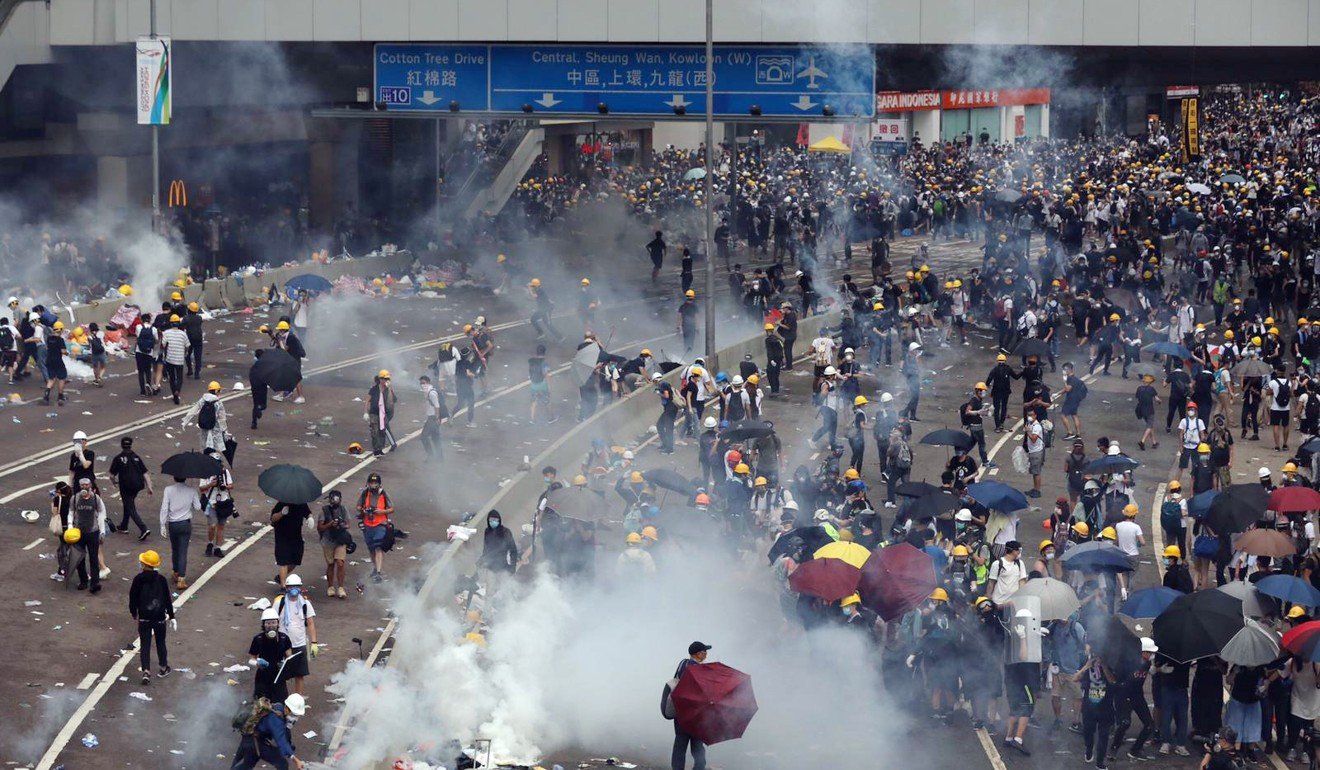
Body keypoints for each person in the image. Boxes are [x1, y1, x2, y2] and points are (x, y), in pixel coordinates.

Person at [128, 549, 173, 685]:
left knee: (145, 644)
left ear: (143, 564)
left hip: (144, 617)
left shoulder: (138, 579)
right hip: (159, 617)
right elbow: (167, 599)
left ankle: (146, 671)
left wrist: (133, 612)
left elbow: (133, 597)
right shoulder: (161, 579)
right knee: (160, 642)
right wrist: (171, 615)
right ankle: (163, 667)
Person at [229, 693, 308, 770]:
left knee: (247, 764)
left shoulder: (279, 707)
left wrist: (289, 745)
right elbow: (280, 739)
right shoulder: (275, 720)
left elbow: (285, 735)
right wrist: (295, 759)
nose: (296, 717)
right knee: (282, 764)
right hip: (254, 742)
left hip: (251, 739)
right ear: (287, 708)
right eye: (294, 714)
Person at [273, 574, 317, 698]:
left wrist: (314, 643)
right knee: (280, 673)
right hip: (282, 644)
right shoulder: (279, 603)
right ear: (286, 588)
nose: (294, 589)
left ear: (300, 588)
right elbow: (273, 622)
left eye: (297, 586)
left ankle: (298, 699)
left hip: (299, 644)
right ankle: (280, 698)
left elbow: (310, 623)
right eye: (291, 586)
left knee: (299, 674)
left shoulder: (305, 604)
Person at [1076, 653, 1119, 769]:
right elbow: (1075, 678)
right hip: (1089, 707)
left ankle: (1100, 762)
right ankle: (1089, 749)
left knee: (1104, 736)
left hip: (1106, 707)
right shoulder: (1086, 662)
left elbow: (1113, 681)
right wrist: (1086, 667)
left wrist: (1104, 666)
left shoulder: (1111, 663)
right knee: (1088, 732)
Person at [671, 641, 710, 770]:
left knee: (680, 745)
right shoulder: (698, 670)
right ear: (698, 654)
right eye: (705, 652)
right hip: (695, 715)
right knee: (697, 746)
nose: (706, 654)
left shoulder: (683, 663)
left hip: (680, 712)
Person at [159, 475, 199, 590]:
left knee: (175, 549)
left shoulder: (168, 490)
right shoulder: (191, 490)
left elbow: (164, 508)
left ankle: (175, 572)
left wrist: (162, 524)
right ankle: (182, 578)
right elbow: (197, 507)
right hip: (185, 524)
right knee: (183, 550)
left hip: (173, 524)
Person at [109, 436, 152, 540]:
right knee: (128, 503)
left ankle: (143, 528)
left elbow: (111, 475)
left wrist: (114, 482)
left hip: (126, 486)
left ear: (121, 445)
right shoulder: (136, 457)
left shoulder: (118, 458)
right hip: (137, 485)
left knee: (130, 507)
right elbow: (145, 473)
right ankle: (124, 526)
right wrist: (149, 486)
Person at [248, 607, 294, 702]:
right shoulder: (258, 639)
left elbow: (290, 658)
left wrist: (285, 665)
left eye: (273, 622)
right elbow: (251, 659)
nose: (271, 625)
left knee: (280, 704)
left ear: (277, 623)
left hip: (279, 677)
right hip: (262, 676)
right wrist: (257, 662)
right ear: (264, 625)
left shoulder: (284, 638)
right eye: (268, 623)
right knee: (261, 705)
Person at [70, 477, 106, 593]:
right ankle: (83, 581)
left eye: (86, 485)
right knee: (80, 558)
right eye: (82, 485)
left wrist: (102, 531)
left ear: (90, 485)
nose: (84, 487)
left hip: (93, 532)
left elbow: (101, 514)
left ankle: (95, 583)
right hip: (78, 533)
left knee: (93, 558)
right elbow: (71, 513)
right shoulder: (75, 498)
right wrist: (70, 527)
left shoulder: (96, 499)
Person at [356, 473, 393, 583]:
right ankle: (375, 568)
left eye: (375, 483)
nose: (373, 485)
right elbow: (358, 506)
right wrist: (364, 511)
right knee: (371, 548)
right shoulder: (365, 493)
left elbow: (391, 508)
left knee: (378, 547)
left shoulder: (384, 494)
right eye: (371, 483)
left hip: (380, 524)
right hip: (368, 525)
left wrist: (382, 512)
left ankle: (379, 572)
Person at [200, 447, 235, 558]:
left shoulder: (225, 472)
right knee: (212, 525)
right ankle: (210, 543)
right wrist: (211, 484)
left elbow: (231, 485)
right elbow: (201, 488)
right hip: (211, 502)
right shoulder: (206, 472)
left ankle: (218, 548)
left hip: (223, 502)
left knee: (221, 526)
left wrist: (225, 486)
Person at [317, 490, 351, 598]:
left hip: (340, 539)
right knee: (331, 564)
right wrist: (330, 524)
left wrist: (342, 525)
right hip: (328, 540)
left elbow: (348, 524)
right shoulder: (324, 511)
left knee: (340, 562)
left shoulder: (343, 509)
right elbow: (320, 527)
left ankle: (341, 587)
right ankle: (330, 586)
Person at [270, 499, 311, 587]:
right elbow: (273, 518)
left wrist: (310, 518)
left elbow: (308, 513)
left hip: (296, 536)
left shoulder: (301, 503)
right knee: (283, 561)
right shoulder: (281, 504)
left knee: (295, 560)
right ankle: (283, 586)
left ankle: (280, 577)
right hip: (282, 537)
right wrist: (281, 513)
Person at [479, 509, 518, 598]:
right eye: (491, 520)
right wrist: (481, 560)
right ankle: (487, 611)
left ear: (499, 520)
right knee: (489, 593)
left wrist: (512, 566)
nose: (493, 522)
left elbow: (513, 550)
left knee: (505, 591)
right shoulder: (487, 531)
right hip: (490, 568)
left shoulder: (505, 532)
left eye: (495, 520)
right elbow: (486, 549)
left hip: (502, 567)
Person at [182, 381, 228, 452]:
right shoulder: (218, 402)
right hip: (214, 427)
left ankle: (206, 454)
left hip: (204, 425)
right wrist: (224, 430)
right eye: (219, 390)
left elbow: (193, 410)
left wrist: (185, 422)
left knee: (205, 444)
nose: (219, 392)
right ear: (216, 391)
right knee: (213, 446)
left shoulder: (203, 400)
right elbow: (222, 418)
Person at [365, 369, 397, 456]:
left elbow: (394, 400)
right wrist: (366, 412)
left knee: (382, 431)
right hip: (374, 413)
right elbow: (367, 400)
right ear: (380, 379)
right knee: (375, 432)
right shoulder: (374, 389)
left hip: (383, 414)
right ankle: (376, 449)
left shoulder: (388, 390)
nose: (386, 381)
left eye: (387, 379)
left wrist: (390, 389)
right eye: (384, 379)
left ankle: (381, 448)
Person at [160, 315, 189, 404]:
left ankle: (174, 394)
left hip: (170, 359)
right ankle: (178, 390)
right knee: (179, 377)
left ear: (171, 323)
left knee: (172, 377)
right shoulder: (183, 333)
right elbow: (187, 345)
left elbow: (163, 345)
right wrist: (185, 353)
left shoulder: (166, 333)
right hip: (179, 358)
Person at [1060, 361, 1088, 440]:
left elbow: (1068, 389)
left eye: (1065, 369)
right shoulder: (1075, 379)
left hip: (1071, 400)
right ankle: (1078, 434)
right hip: (1076, 400)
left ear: (1070, 369)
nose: (1064, 371)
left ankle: (1070, 433)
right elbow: (1067, 389)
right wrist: (1059, 393)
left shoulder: (1070, 379)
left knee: (1063, 415)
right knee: (1074, 415)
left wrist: (1064, 381)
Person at [43, 319, 67, 405]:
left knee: (51, 379)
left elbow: (47, 348)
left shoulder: (49, 338)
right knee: (61, 378)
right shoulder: (60, 340)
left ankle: (46, 396)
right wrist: (67, 353)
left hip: (49, 361)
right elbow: (63, 351)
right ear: (61, 329)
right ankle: (60, 396)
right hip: (58, 361)